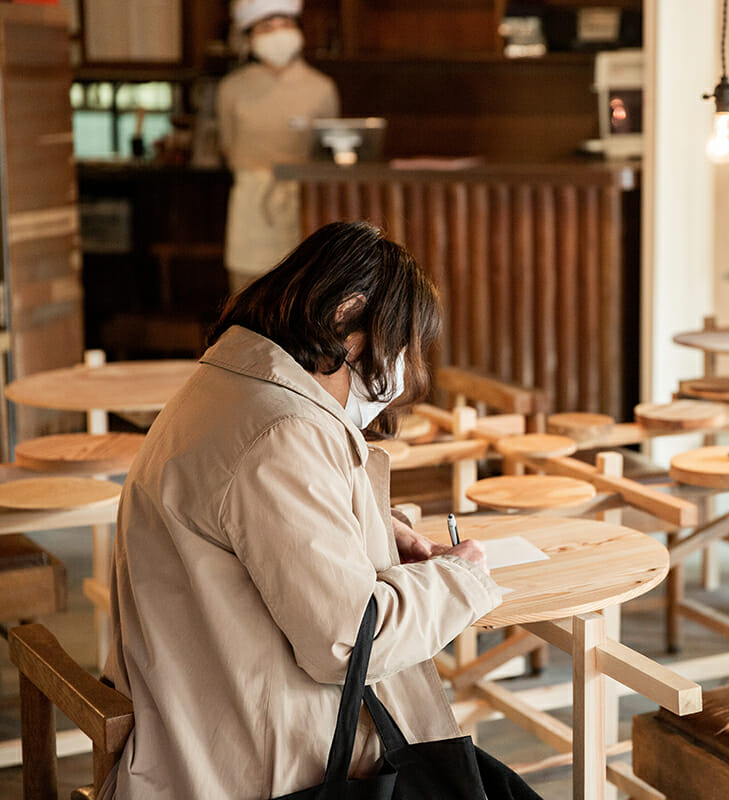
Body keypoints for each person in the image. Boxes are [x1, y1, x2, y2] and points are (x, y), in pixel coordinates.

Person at [100, 222, 505, 798]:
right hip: (261, 765)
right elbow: (346, 642)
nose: (401, 370)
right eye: (400, 343)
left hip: (201, 719)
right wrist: (461, 578)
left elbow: (236, 509)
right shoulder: (283, 429)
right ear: (348, 316)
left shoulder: (229, 384)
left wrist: (371, 526)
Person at [218, 0, 339, 292]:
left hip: (303, 204)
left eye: (285, 23)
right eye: (267, 26)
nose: (278, 32)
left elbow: (329, 154)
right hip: (250, 204)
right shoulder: (231, 89)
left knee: (303, 291)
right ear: (250, 36)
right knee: (247, 295)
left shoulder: (322, 88)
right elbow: (228, 147)